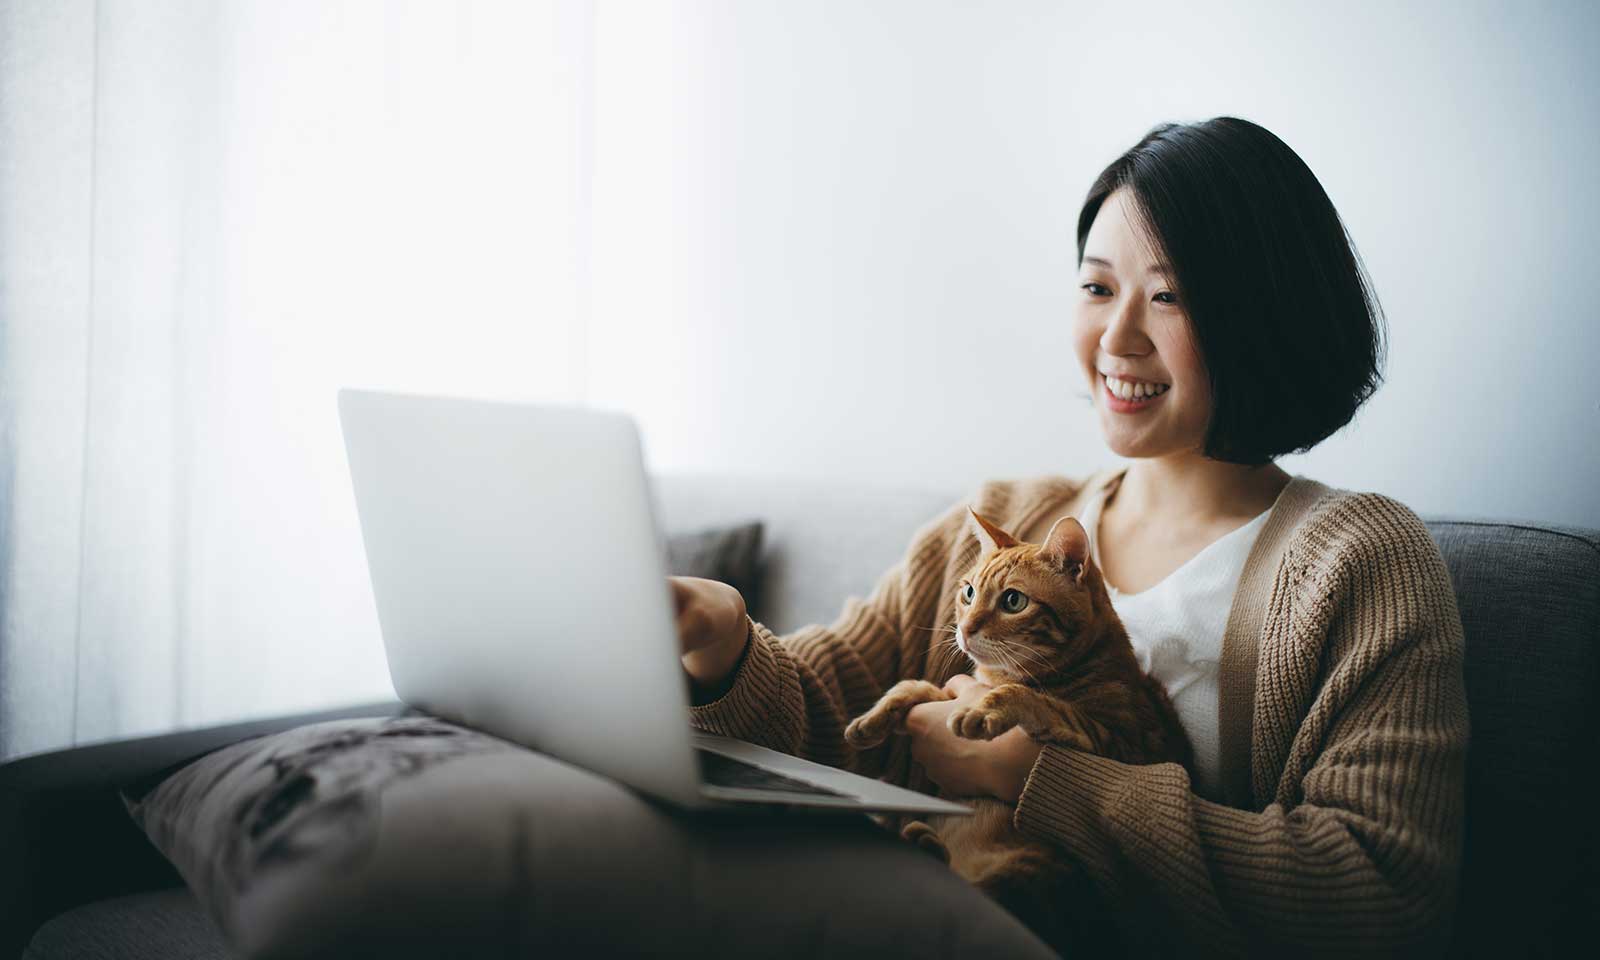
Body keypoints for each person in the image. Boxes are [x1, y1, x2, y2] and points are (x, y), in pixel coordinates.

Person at [670, 117, 1468, 955]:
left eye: (1170, 295)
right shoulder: (1001, 522)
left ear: (1263, 316)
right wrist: (723, 648)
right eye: (1097, 289)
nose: (1117, 339)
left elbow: (1379, 898)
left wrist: (1036, 778)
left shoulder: (1359, 562)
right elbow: (822, 717)